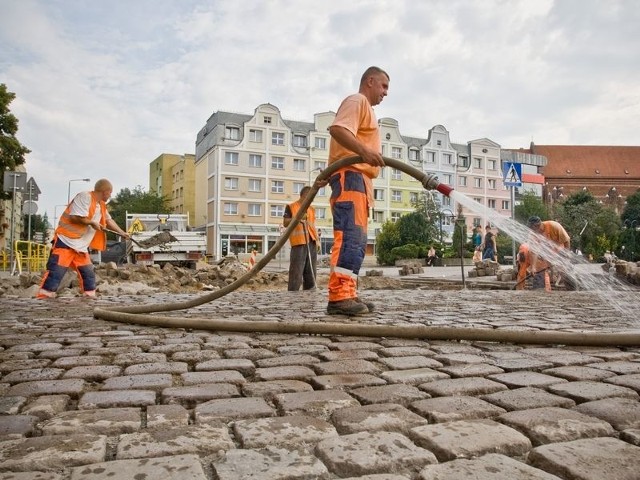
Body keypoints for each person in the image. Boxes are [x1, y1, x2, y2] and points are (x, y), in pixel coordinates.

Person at [326, 66, 389, 315]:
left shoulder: (368, 111)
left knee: (358, 241)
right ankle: (339, 297)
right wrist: (364, 152)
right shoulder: (358, 101)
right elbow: (338, 130)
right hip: (350, 177)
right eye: (384, 86)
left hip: (359, 180)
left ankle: (348, 293)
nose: (386, 93)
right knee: (349, 237)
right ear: (370, 81)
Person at [37, 179, 129, 298]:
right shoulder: (84, 196)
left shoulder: (101, 205)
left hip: (80, 247)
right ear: (105, 191)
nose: (110, 195)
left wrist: (122, 233)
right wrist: (91, 223)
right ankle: (43, 298)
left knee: (88, 275)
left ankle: (89, 298)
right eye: (110, 193)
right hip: (66, 241)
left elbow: (108, 220)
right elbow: (75, 217)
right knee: (56, 273)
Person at [283, 185, 318, 291]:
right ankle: (293, 293)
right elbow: (285, 223)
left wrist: (318, 241)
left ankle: (309, 292)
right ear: (304, 195)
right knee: (296, 271)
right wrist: (297, 218)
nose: (312, 199)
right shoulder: (291, 207)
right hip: (299, 243)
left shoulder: (311, 209)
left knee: (311, 272)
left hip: (311, 242)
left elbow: (313, 226)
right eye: (311, 196)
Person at [526, 216, 572, 291]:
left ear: (537, 226)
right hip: (545, 254)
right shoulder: (533, 235)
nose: (530, 230)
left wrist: (566, 254)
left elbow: (567, 240)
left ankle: (571, 289)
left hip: (559, 251)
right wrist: (533, 267)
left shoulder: (554, 226)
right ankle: (538, 289)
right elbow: (534, 252)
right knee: (538, 266)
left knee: (566, 268)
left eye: (531, 228)